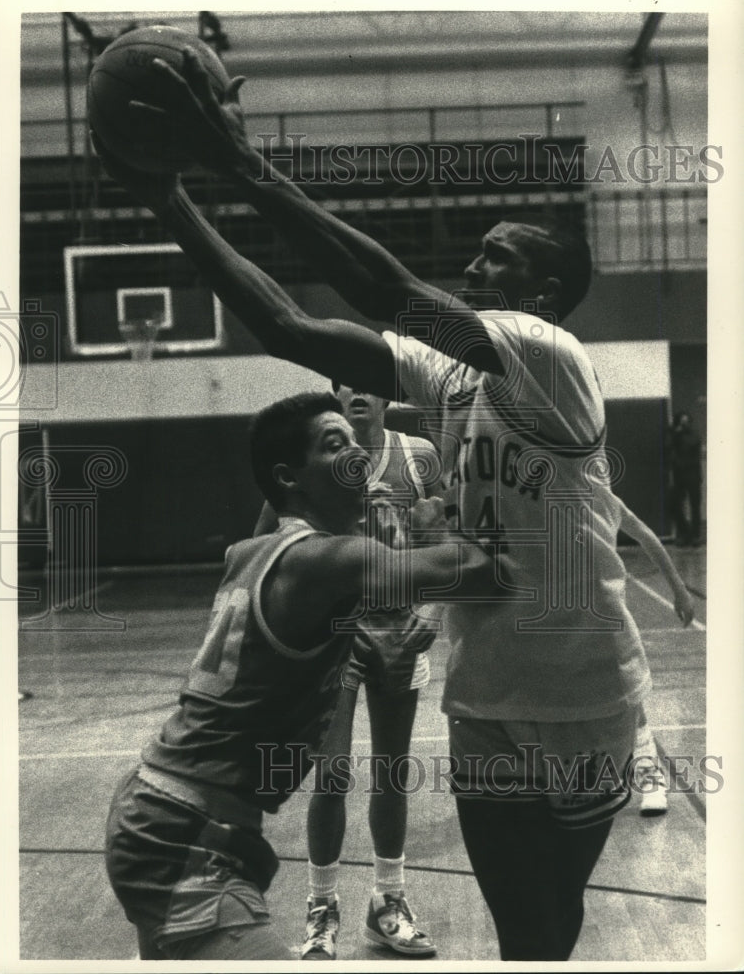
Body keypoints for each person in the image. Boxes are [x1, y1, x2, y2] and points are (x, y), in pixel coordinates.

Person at [94, 50, 653, 960]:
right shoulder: (452, 374)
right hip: (482, 702)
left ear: (544, 296)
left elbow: (392, 294)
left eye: (496, 259)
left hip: (584, 691)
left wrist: (243, 165)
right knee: (523, 931)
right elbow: (290, 329)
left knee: (554, 925)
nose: (473, 265)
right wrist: (170, 203)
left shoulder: (549, 356)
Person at [104, 391, 497, 961]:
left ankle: (379, 898)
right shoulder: (332, 560)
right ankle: (326, 905)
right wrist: (462, 509)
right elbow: (478, 569)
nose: (357, 456)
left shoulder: (251, 552)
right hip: (181, 832)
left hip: (168, 809)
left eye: (354, 441)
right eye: (335, 446)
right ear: (291, 478)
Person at [257, 385, 442, 959]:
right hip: (332, 637)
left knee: (392, 771)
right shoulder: (312, 466)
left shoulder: (416, 457)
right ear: (335, 396)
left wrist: (429, 613)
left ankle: (388, 900)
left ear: (386, 396)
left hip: (396, 633)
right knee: (331, 773)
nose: (356, 393)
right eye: (344, 384)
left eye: (366, 384)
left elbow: (447, 543)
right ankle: (322, 906)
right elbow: (263, 543)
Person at [604, 490, 695, 816]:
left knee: (631, 701)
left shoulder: (602, 497)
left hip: (606, 618)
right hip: (561, 621)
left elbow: (649, 539)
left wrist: (680, 591)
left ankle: (649, 775)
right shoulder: (541, 501)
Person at [667, 412, 703, 546]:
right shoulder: (674, 434)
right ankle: (685, 533)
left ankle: (695, 536)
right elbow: (668, 446)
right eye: (682, 422)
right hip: (679, 476)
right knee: (675, 505)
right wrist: (676, 434)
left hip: (692, 475)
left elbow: (692, 445)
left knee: (695, 506)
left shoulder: (693, 434)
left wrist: (679, 434)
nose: (684, 425)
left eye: (686, 422)